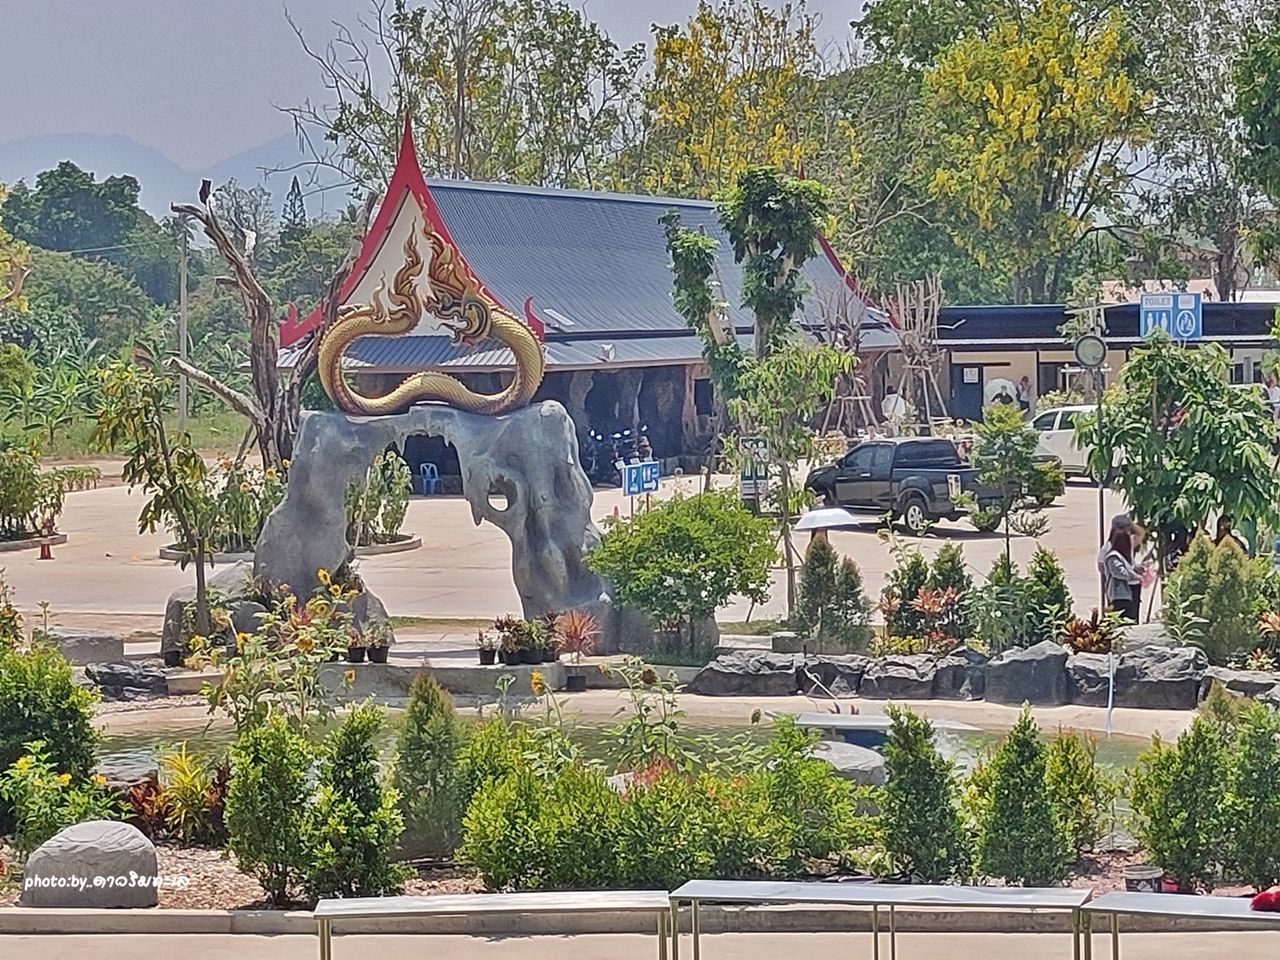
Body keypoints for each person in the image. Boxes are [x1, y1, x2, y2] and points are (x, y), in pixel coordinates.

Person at [1103, 528, 1143, 621]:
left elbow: (1128, 568)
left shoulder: (1121, 556)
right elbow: (1119, 572)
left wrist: (1138, 569)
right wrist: (1135, 576)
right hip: (1118, 595)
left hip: (1126, 595)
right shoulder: (1113, 557)